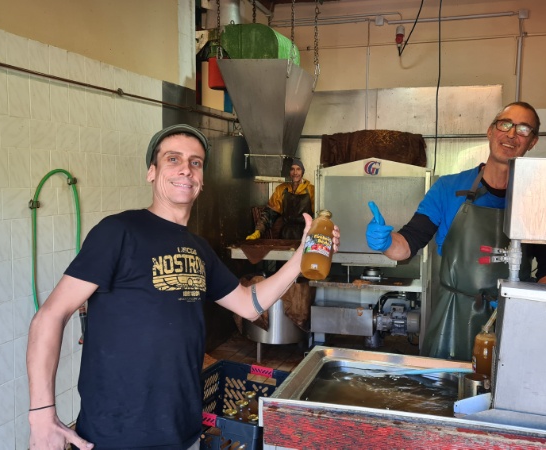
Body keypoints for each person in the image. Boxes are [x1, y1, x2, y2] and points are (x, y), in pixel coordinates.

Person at [26, 124, 339, 450]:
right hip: (116, 435)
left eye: (195, 162)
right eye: (173, 159)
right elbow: (50, 316)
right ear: (151, 172)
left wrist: (301, 256)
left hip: (183, 431)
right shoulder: (118, 231)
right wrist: (42, 415)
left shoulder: (199, 249)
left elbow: (249, 304)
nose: (186, 169)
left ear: (202, 180)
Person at [365, 102, 546, 361]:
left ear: (533, 141)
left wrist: (529, 308)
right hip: (451, 322)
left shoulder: (539, 201)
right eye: (505, 124)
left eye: (523, 129)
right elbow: (408, 243)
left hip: (511, 324)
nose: (511, 134)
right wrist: (385, 242)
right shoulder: (448, 188)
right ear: (490, 131)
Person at [246, 158, 314, 240]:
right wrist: (258, 231)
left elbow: (318, 215)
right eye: (292, 169)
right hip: (286, 235)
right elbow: (269, 214)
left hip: (306, 234)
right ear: (289, 172)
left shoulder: (311, 190)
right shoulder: (281, 189)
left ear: (302, 171)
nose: (295, 173)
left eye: (298, 169)